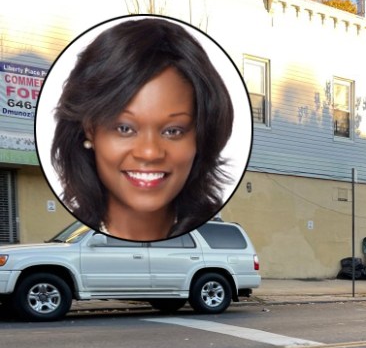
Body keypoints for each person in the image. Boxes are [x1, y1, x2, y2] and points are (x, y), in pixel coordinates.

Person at [50, 17, 235, 241]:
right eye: (125, 128)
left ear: (200, 137)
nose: (149, 152)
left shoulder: (207, 236)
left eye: (173, 131)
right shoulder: (79, 237)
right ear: (89, 129)